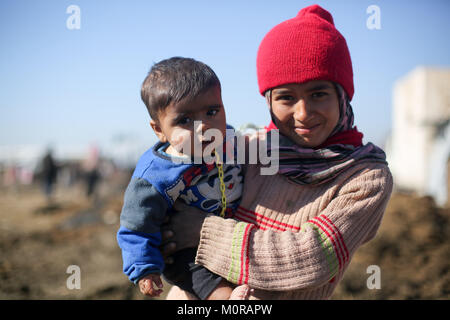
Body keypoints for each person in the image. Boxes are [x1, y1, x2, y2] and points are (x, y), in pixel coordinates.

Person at [161, 5, 393, 300]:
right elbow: (173, 176)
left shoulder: (365, 177)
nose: (303, 113)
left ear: (342, 96)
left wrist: (202, 232)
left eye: (318, 94)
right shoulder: (251, 149)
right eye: (286, 97)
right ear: (269, 101)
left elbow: (312, 258)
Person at [116, 57, 248, 300]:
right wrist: (145, 270)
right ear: (159, 130)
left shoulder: (230, 139)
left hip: (226, 242)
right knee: (224, 296)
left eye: (212, 112)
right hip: (186, 255)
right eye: (185, 120)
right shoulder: (155, 176)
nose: (203, 127)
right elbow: (136, 226)